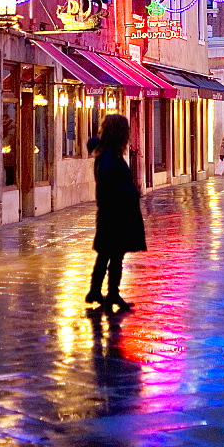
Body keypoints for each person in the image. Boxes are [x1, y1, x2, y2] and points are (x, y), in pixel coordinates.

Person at [85, 114, 146, 311]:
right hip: (116, 213)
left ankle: (98, 291)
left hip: (110, 211)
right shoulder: (110, 156)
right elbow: (111, 183)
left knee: (106, 254)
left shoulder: (105, 152)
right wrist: (130, 192)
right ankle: (110, 294)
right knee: (115, 255)